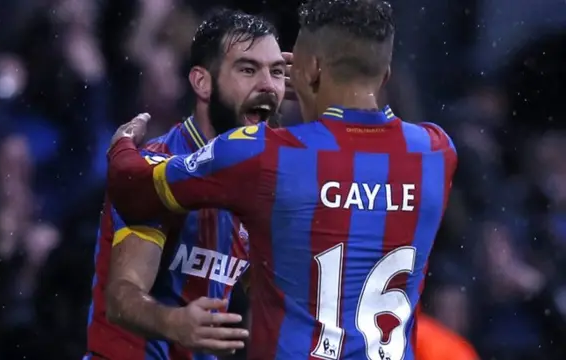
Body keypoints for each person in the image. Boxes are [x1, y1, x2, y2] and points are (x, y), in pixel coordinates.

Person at [107, 0, 458, 358]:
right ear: (385, 76)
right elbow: (368, 144)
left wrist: (122, 144)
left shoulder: (263, 155)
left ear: (310, 69)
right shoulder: (437, 152)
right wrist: (323, 80)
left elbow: (129, 182)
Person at [85, 8, 286, 360]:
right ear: (202, 82)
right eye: (248, 69)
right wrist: (175, 323)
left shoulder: (264, 178)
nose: (268, 85)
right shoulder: (156, 169)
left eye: (278, 72)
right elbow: (121, 296)